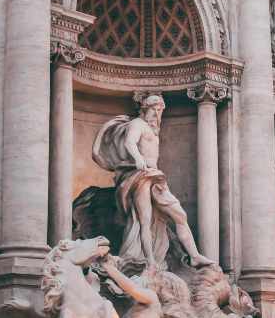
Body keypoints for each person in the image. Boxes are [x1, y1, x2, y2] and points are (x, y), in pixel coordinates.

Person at [91, 95, 214, 269]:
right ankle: (150, 261)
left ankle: (194, 255)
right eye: (153, 110)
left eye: (159, 111)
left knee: (180, 215)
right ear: (144, 109)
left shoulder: (152, 129)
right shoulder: (137, 124)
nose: (156, 115)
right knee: (145, 220)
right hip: (140, 175)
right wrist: (138, 158)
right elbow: (129, 142)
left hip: (155, 176)